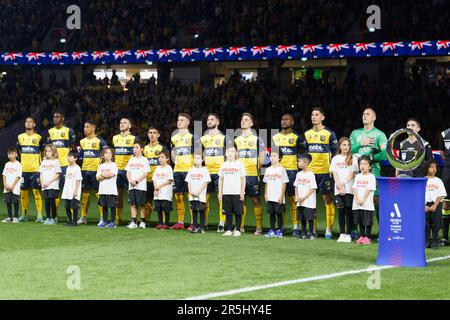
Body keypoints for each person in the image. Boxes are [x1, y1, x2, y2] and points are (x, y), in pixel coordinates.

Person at [304, 107, 338, 239]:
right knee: (311, 201)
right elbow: (305, 153)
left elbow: (335, 152)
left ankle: (329, 229)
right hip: (311, 173)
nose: (314, 117)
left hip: (325, 172)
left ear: (322, 117)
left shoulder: (329, 133)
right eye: (312, 115)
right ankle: (313, 229)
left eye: (317, 115)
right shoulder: (307, 134)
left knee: (327, 199)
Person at [350, 106, 387, 223]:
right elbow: (348, 151)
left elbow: (385, 154)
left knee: (375, 200)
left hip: (373, 172)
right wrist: (361, 143)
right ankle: (356, 230)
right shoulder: (355, 133)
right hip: (355, 171)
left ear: (374, 118)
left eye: (368, 114)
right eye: (363, 114)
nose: (364, 116)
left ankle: (382, 231)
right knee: (356, 199)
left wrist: (372, 158)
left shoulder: (379, 135)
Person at [271, 113, 306, 236]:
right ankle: (281, 226)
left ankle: (296, 227)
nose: (283, 121)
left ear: (292, 122)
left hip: (291, 172)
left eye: (286, 119)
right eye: (282, 119)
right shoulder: (275, 137)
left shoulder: (297, 137)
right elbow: (274, 155)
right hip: (278, 172)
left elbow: (303, 153)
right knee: (279, 199)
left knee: (292, 199)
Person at [234, 113, 266, 235]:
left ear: (251, 124)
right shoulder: (237, 139)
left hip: (252, 174)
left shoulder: (257, 139)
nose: (243, 121)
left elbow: (262, 156)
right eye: (242, 119)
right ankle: (241, 227)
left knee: (255, 199)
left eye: (246, 120)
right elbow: (235, 156)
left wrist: (256, 169)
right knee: (240, 200)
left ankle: (258, 227)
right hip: (239, 175)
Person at [46, 111, 77, 212]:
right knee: (54, 191)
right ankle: (54, 215)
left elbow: (73, 148)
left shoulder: (69, 131)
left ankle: (72, 215)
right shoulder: (50, 131)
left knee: (69, 190)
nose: (55, 118)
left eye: (58, 117)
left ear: (62, 119)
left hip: (65, 165)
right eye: (54, 117)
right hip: (53, 165)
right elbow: (48, 148)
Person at [200, 113, 226, 232]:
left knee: (221, 197)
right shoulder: (203, 139)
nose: (209, 121)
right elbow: (200, 155)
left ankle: (221, 223)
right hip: (206, 172)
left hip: (220, 173)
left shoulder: (223, 137)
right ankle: (204, 222)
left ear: (218, 122)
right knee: (205, 197)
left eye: (212, 119)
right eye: (208, 119)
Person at [112, 117, 140, 225]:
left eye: (124, 123)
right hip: (118, 171)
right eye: (120, 123)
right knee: (118, 196)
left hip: (130, 172)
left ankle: (134, 219)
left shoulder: (134, 139)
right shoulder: (115, 138)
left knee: (132, 197)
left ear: (130, 126)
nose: (122, 124)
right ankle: (117, 218)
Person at [78, 120, 107, 225]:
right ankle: (83, 216)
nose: (84, 128)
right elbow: (81, 156)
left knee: (98, 194)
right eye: (84, 127)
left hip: (96, 171)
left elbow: (105, 156)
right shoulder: (82, 141)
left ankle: (102, 218)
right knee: (85, 195)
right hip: (85, 171)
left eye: (87, 127)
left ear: (93, 128)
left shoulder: (100, 141)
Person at [330, 137, 359, 243]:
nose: (346, 147)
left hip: (349, 189)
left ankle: (348, 234)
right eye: (344, 145)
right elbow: (334, 173)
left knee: (349, 212)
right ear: (340, 146)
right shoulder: (335, 159)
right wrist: (339, 185)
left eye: (348, 145)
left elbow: (352, 173)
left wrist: (343, 184)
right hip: (338, 190)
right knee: (341, 212)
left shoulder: (353, 158)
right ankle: (342, 233)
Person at [17, 116, 44, 222]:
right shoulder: (20, 137)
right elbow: (19, 151)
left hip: (35, 170)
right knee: (23, 193)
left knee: (36, 193)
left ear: (34, 124)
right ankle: (24, 214)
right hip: (24, 170)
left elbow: (42, 153)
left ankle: (40, 215)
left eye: (30, 122)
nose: (28, 123)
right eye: (26, 121)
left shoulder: (38, 138)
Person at [170, 113, 194, 230]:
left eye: (182, 120)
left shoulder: (192, 137)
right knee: (178, 196)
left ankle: (193, 222)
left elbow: (198, 154)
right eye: (178, 120)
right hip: (177, 170)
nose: (179, 122)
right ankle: (180, 222)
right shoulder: (174, 138)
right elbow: (173, 153)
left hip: (189, 171)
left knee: (191, 197)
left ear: (188, 123)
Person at [218, 147, 246, 237]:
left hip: (237, 192)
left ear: (236, 153)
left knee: (238, 212)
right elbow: (221, 179)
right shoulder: (223, 165)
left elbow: (243, 179)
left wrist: (242, 192)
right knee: (228, 212)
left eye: (232, 152)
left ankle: (237, 229)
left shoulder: (240, 164)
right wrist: (220, 192)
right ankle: (229, 229)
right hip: (226, 192)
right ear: (225, 153)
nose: (230, 154)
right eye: (228, 152)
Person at [143, 127, 168, 226]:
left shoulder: (162, 148)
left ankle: (164, 222)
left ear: (158, 135)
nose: (152, 135)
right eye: (150, 133)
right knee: (147, 201)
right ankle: (146, 221)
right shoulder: (144, 148)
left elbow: (166, 163)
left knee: (162, 201)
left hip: (160, 180)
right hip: (148, 179)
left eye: (154, 133)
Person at [263, 151, 289, 238]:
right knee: (271, 214)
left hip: (278, 196)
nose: (272, 158)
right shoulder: (267, 169)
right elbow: (266, 182)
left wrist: (281, 196)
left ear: (279, 158)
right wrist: (265, 194)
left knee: (279, 214)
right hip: (270, 196)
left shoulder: (282, 169)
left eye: (274, 156)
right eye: (271, 156)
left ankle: (279, 230)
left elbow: (284, 183)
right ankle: (272, 229)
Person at [125, 141, 150, 229]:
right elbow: (128, 171)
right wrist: (130, 180)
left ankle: (143, 221)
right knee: (132, 204)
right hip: (131, 185)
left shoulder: (144, 160)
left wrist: (137, 180)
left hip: (141, 186)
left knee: (141, 204)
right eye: (134, 147)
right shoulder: (131, 159)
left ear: (142, 149)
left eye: (137, 147)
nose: (134, 149)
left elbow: (146, 172)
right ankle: (134, 222)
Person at [352, 156, 376, 245]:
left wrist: (363, 200)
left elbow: (369, 189)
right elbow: (354, 188)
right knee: (360, 221)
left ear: (369, 166)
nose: (363, 166)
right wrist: (357, 199)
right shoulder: (358, 176)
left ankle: (368, 237)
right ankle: (361, 236)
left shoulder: (371, 176)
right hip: (357, 204)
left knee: (367, 221)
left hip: (367, 204)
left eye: (365, 164)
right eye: (361, 164)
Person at [185, 152, 212, 233]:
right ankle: (194, 226)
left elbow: (206, 182)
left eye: (198, 158)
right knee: (194, 210)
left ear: (202, 160)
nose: (196, 160)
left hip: (200, 194)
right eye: (195, 158)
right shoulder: (191, 170)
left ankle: (201, 227)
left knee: (201, 210)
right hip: (192, 194)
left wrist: (199, 192)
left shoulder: (205, 170)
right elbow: (188, 181)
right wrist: (190, 191)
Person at [294, 153, 318, 240]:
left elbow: (312, 188)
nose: (298, 163)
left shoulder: (311, 174)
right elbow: (296, 186)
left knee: (310, 218)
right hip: (300, 201)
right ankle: (303, 232)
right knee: (302, 217)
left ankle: (311, 233)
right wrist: (297, 197)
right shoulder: (298, 174)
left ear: (305, 162)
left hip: (308, 201)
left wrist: (304, 197)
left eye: (299, 161)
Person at [425, 160, 447, 249]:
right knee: (426, 224)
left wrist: (435, 205)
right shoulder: (423, 180)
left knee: (436, 224)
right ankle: (426, 242)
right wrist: (424, 205)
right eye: (431, 167)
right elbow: (419, 193)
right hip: (426, 205)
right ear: (427, 168)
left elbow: (440, 194)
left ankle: (435, 241)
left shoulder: (438, 181)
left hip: (436, 205)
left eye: (435, 167)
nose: (434, 169)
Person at [96, 147, 118, 229]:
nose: (109, 154)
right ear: (103, 155)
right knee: (104, 206)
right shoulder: (101, 166)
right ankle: (105, 221)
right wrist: (105, 174)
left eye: (110, 153)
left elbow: (111, 175)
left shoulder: (114, 165)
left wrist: (103, 175)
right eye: (107, 153)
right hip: (102, 190)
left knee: (112, 206)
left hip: (111, 190)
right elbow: (97, 177)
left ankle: (112, 222)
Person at [39, 144, 61, 225]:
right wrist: (42, 183)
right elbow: (40, 173)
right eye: (46, 151)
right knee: (46, 202)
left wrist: (48, 182)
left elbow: (58, 174)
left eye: (49, 151)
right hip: (44, 186)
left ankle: (54, 218)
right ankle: (48, 217)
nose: (47, 153)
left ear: (53, 152)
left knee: (52, 202)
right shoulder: (43, 162)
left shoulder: (56, 161)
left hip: (52, 185)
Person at [153, 150, 174, 230]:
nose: (160, 159)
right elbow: (154, 179)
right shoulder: (157, 168)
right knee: (159, 208)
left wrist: (159, 186)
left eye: (162, 157)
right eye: (159, 157)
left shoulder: (168, 168)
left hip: (165, 193)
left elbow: (169, 180)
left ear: (167, 158)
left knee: (166, 209)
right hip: (158, 192)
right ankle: (160, 223)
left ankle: (166, 224)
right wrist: (156, 187)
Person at [61, 151, 82, 227]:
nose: (68, 158)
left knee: (74, 207)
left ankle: (74, 222)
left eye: (70, 157)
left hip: (73, 191)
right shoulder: (68, 168)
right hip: (67, 191)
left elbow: (78, 180)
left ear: (75, 158)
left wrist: (76, 191)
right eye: (68, 156)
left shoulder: (77, 168)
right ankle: (69, 221)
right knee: (67, 207)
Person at [1, 148, 22, 223]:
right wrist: (5, 185)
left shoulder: (18, 164)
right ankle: (10, 217)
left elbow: (18, 176)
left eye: (12, 154)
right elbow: (4, 175)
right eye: (9, 154)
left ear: (16, 154)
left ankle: (16, 217)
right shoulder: (7, 164)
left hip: (14, 187)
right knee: (8, 202)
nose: (10, 155)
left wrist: (12, 186)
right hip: (7, 187)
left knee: (15, 202)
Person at [439, 128, 450, 246]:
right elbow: (442, 153)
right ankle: (445, 237)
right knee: (446, 204)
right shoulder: (444, 134)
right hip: (448, 172)